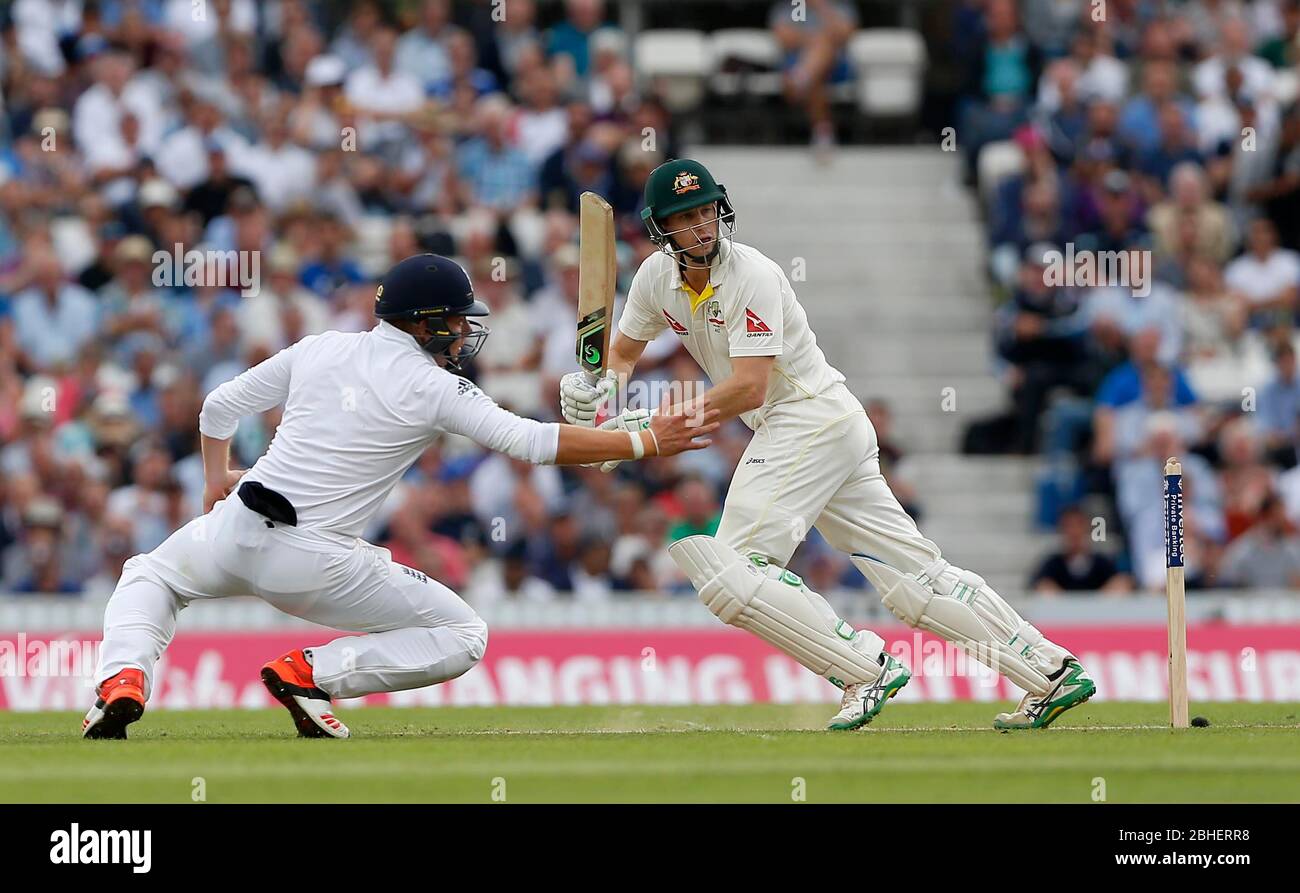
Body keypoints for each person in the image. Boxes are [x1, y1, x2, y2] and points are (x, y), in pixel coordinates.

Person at [82, 254, 717, 740]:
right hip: (316, 560)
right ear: (424, 322)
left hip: (236, 525)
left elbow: (217, 406)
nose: (467, 332)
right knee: (464, 634)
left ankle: (124, 675)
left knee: (149, 577)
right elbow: (530, 443)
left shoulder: (321, 347)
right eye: (459, 319)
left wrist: (213, 480)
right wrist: (645, 440)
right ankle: (313, 675)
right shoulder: (434, 386)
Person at [560, 160, 1096, 731]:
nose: (703, 226)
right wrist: (599, 392)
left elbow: (749, 386)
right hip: (820, 426)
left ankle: (864, 669)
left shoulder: (753, 275)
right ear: (661, 230)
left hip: (807, 419)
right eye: (686, 218)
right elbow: (621, 352)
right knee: (914, 583)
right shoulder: (653, 279)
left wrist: (646, 432)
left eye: (706, 211)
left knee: (732, 573)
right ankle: (1049, 670)